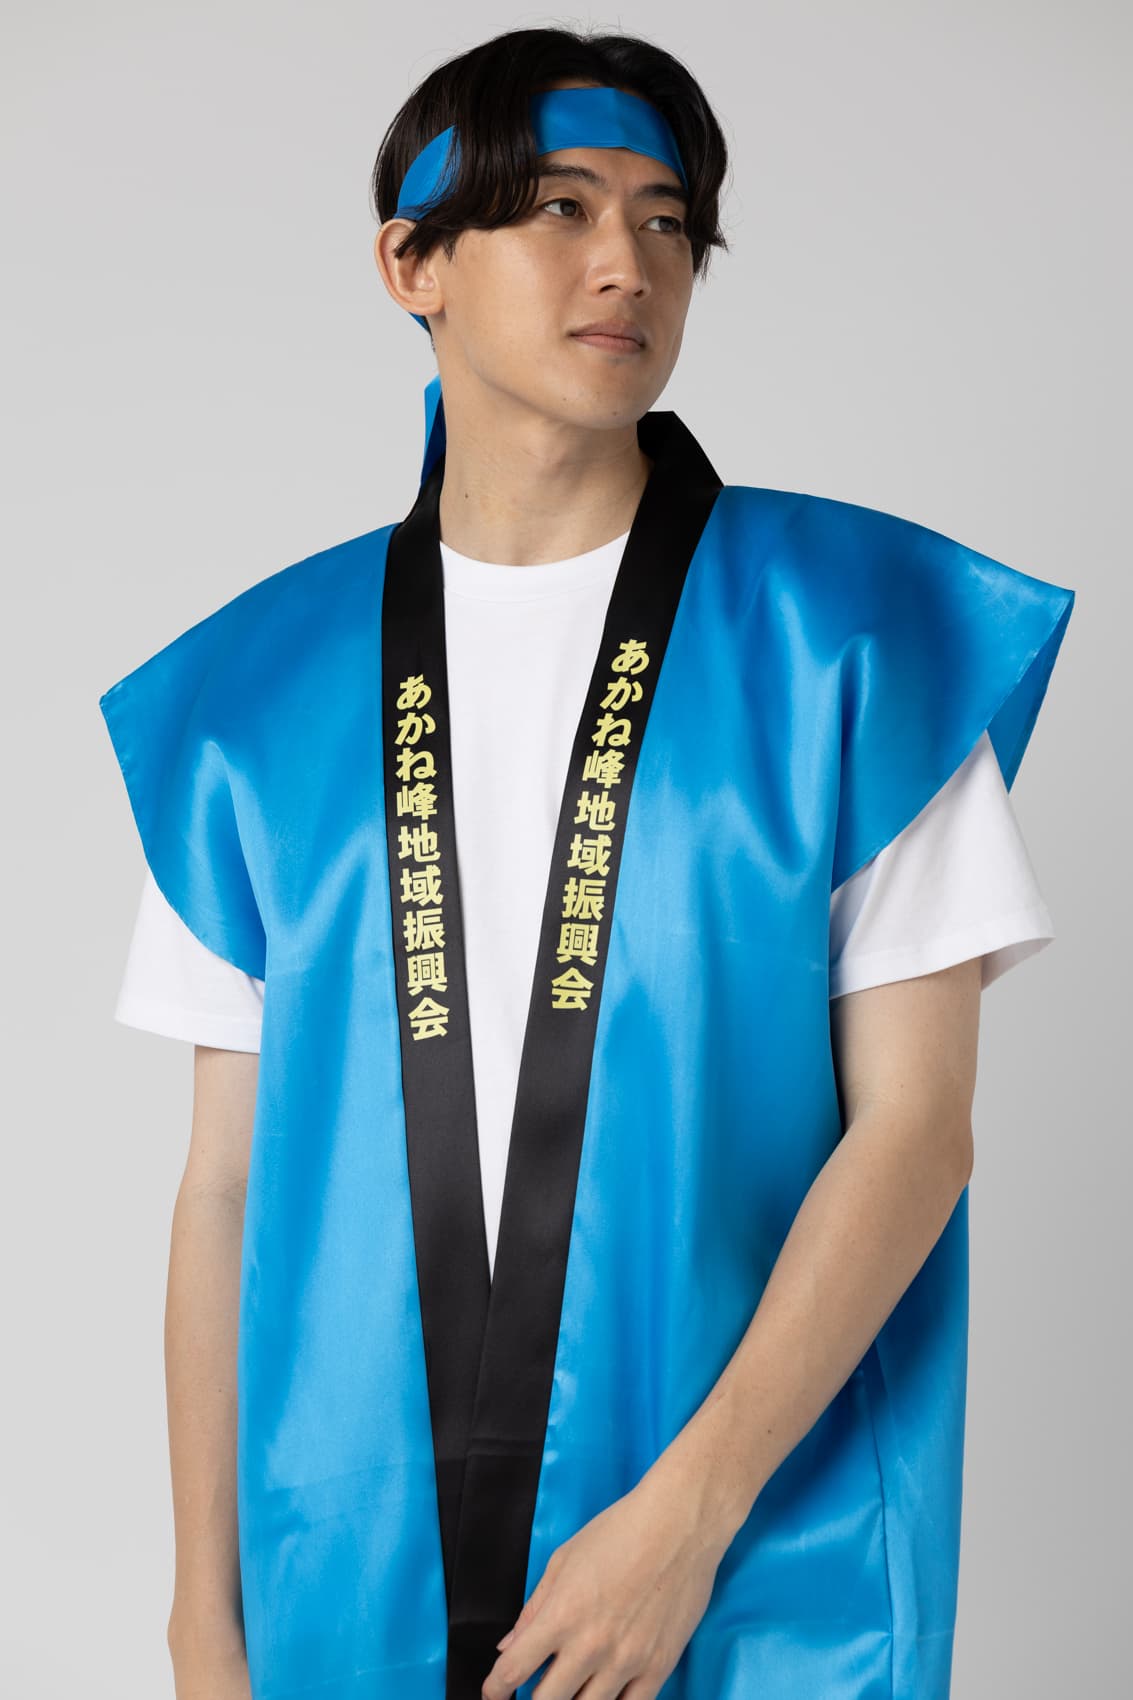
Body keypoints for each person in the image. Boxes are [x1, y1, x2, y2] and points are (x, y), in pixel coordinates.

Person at [99, 26, 1075, 1700]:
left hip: (755, 1564)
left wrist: (683, 1521)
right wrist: (202, 1613)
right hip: (346, 1572)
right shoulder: (255, 701)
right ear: (411, 264)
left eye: (665, 220)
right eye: (557, 207)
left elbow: (915, 1131)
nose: (626, 262)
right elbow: (224, 1189)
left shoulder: (844, 642)